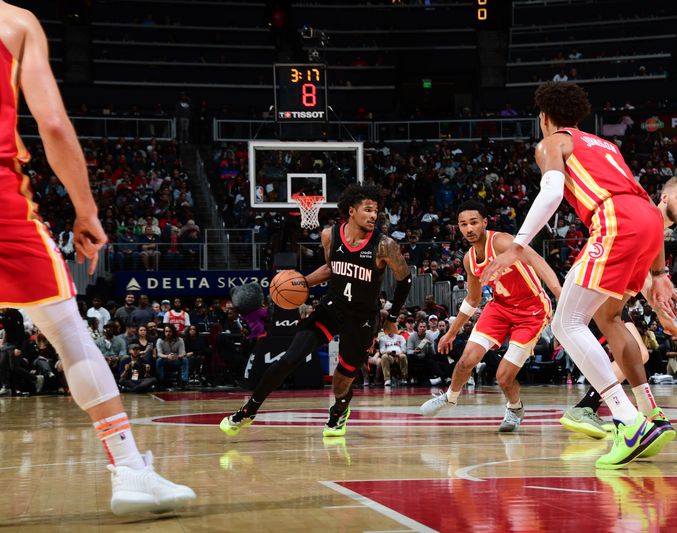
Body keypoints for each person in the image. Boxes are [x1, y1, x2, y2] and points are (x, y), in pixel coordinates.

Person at [0, 2, 194, 514]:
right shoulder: (15, 23)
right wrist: (86, 211)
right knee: (68, 333)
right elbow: (55, 126)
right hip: (2, 204)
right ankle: (129, 471)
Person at [481, 82, 677, 469]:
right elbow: (645, 206)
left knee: (567, 322)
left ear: (544, 116)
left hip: (616, 221)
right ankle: (651, 413)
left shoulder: (553, 141)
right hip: (649, 224)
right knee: (608, 317)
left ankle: (628, 421)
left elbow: (552, 192)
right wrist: (660, 272)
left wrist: (519, 245)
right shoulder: (607, 146)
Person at [220, 184, 412, 437]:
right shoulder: (330, 235)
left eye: (376, 211)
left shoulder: (384, 245)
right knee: (289, 358)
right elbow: (331, 268)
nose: (374, 215)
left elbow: (405, 279)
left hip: (363, 318)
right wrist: (301, 283)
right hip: (332, 307)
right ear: (351, 211)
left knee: (341, 380)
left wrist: (393, 316)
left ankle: (340, 410)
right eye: (368, 210)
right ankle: (249, 410)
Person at [559, 175, 677, 438]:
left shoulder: (657, 231)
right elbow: (645, 276)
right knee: (632, 352)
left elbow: (644, 275)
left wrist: (660, 305)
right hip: (593, 289)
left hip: (613, 293)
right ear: (664, 197)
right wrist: (658, 308)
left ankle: (595, 407)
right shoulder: (645, 220)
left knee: (639, 355)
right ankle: (598, 408)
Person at [420, 200, 561, 432]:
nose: (469, 229)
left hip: (532, 310)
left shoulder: (502, 241)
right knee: (466, 360)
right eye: (463, 224)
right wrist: (451, 333)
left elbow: (536, 259)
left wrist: (559, 293)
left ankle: (515, 408)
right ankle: (450, 397)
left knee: (504, 377)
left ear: (484, 222)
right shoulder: (468, 259)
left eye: (474, 222)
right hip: (500, 307)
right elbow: (473, 300)